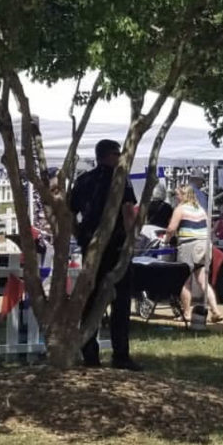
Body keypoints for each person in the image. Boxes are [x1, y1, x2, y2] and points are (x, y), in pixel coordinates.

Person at [69, 138, 140, 371]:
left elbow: (69, 213)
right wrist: (132, 239)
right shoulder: (120, 180)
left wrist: (80, 235)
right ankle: (121, 355)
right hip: (116, 247)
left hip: (91, 248)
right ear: (110, 155)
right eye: (118, 153)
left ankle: (90, 354)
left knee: (90, 301)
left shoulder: (83, 180)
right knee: (120, 303)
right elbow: (128, 211)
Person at [161, 184, 223, 325]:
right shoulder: (200, 209)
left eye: (177, 194)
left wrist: (165, 240)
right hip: (205, 246)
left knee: (185, 280)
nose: (176, 197)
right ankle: (215, 311)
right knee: (202, 281)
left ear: (183, 195)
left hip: (190, 245)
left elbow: (171, 228)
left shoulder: (181, 209)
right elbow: (209, 228)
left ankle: (187, 313)